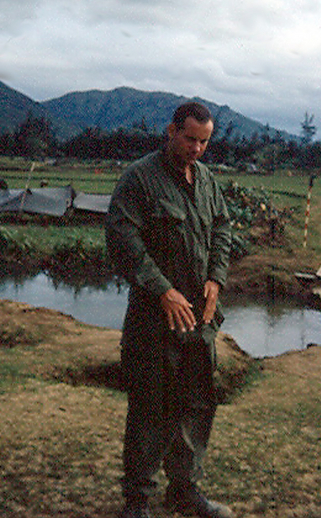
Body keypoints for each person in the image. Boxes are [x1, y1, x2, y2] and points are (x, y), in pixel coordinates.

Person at [106, 101, 233, 518]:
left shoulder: (209, 180)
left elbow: (221, 228)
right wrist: (161, 290)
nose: (197, 148)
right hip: (153, 320)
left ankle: (185, 490)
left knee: (196, 404)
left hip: (200, 319)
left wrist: (216, 277)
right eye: (190, 139)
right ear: (171, 131)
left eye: (204, 141)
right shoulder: (139, 179)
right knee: (150, 406)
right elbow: (123, 240)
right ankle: (137, 500)